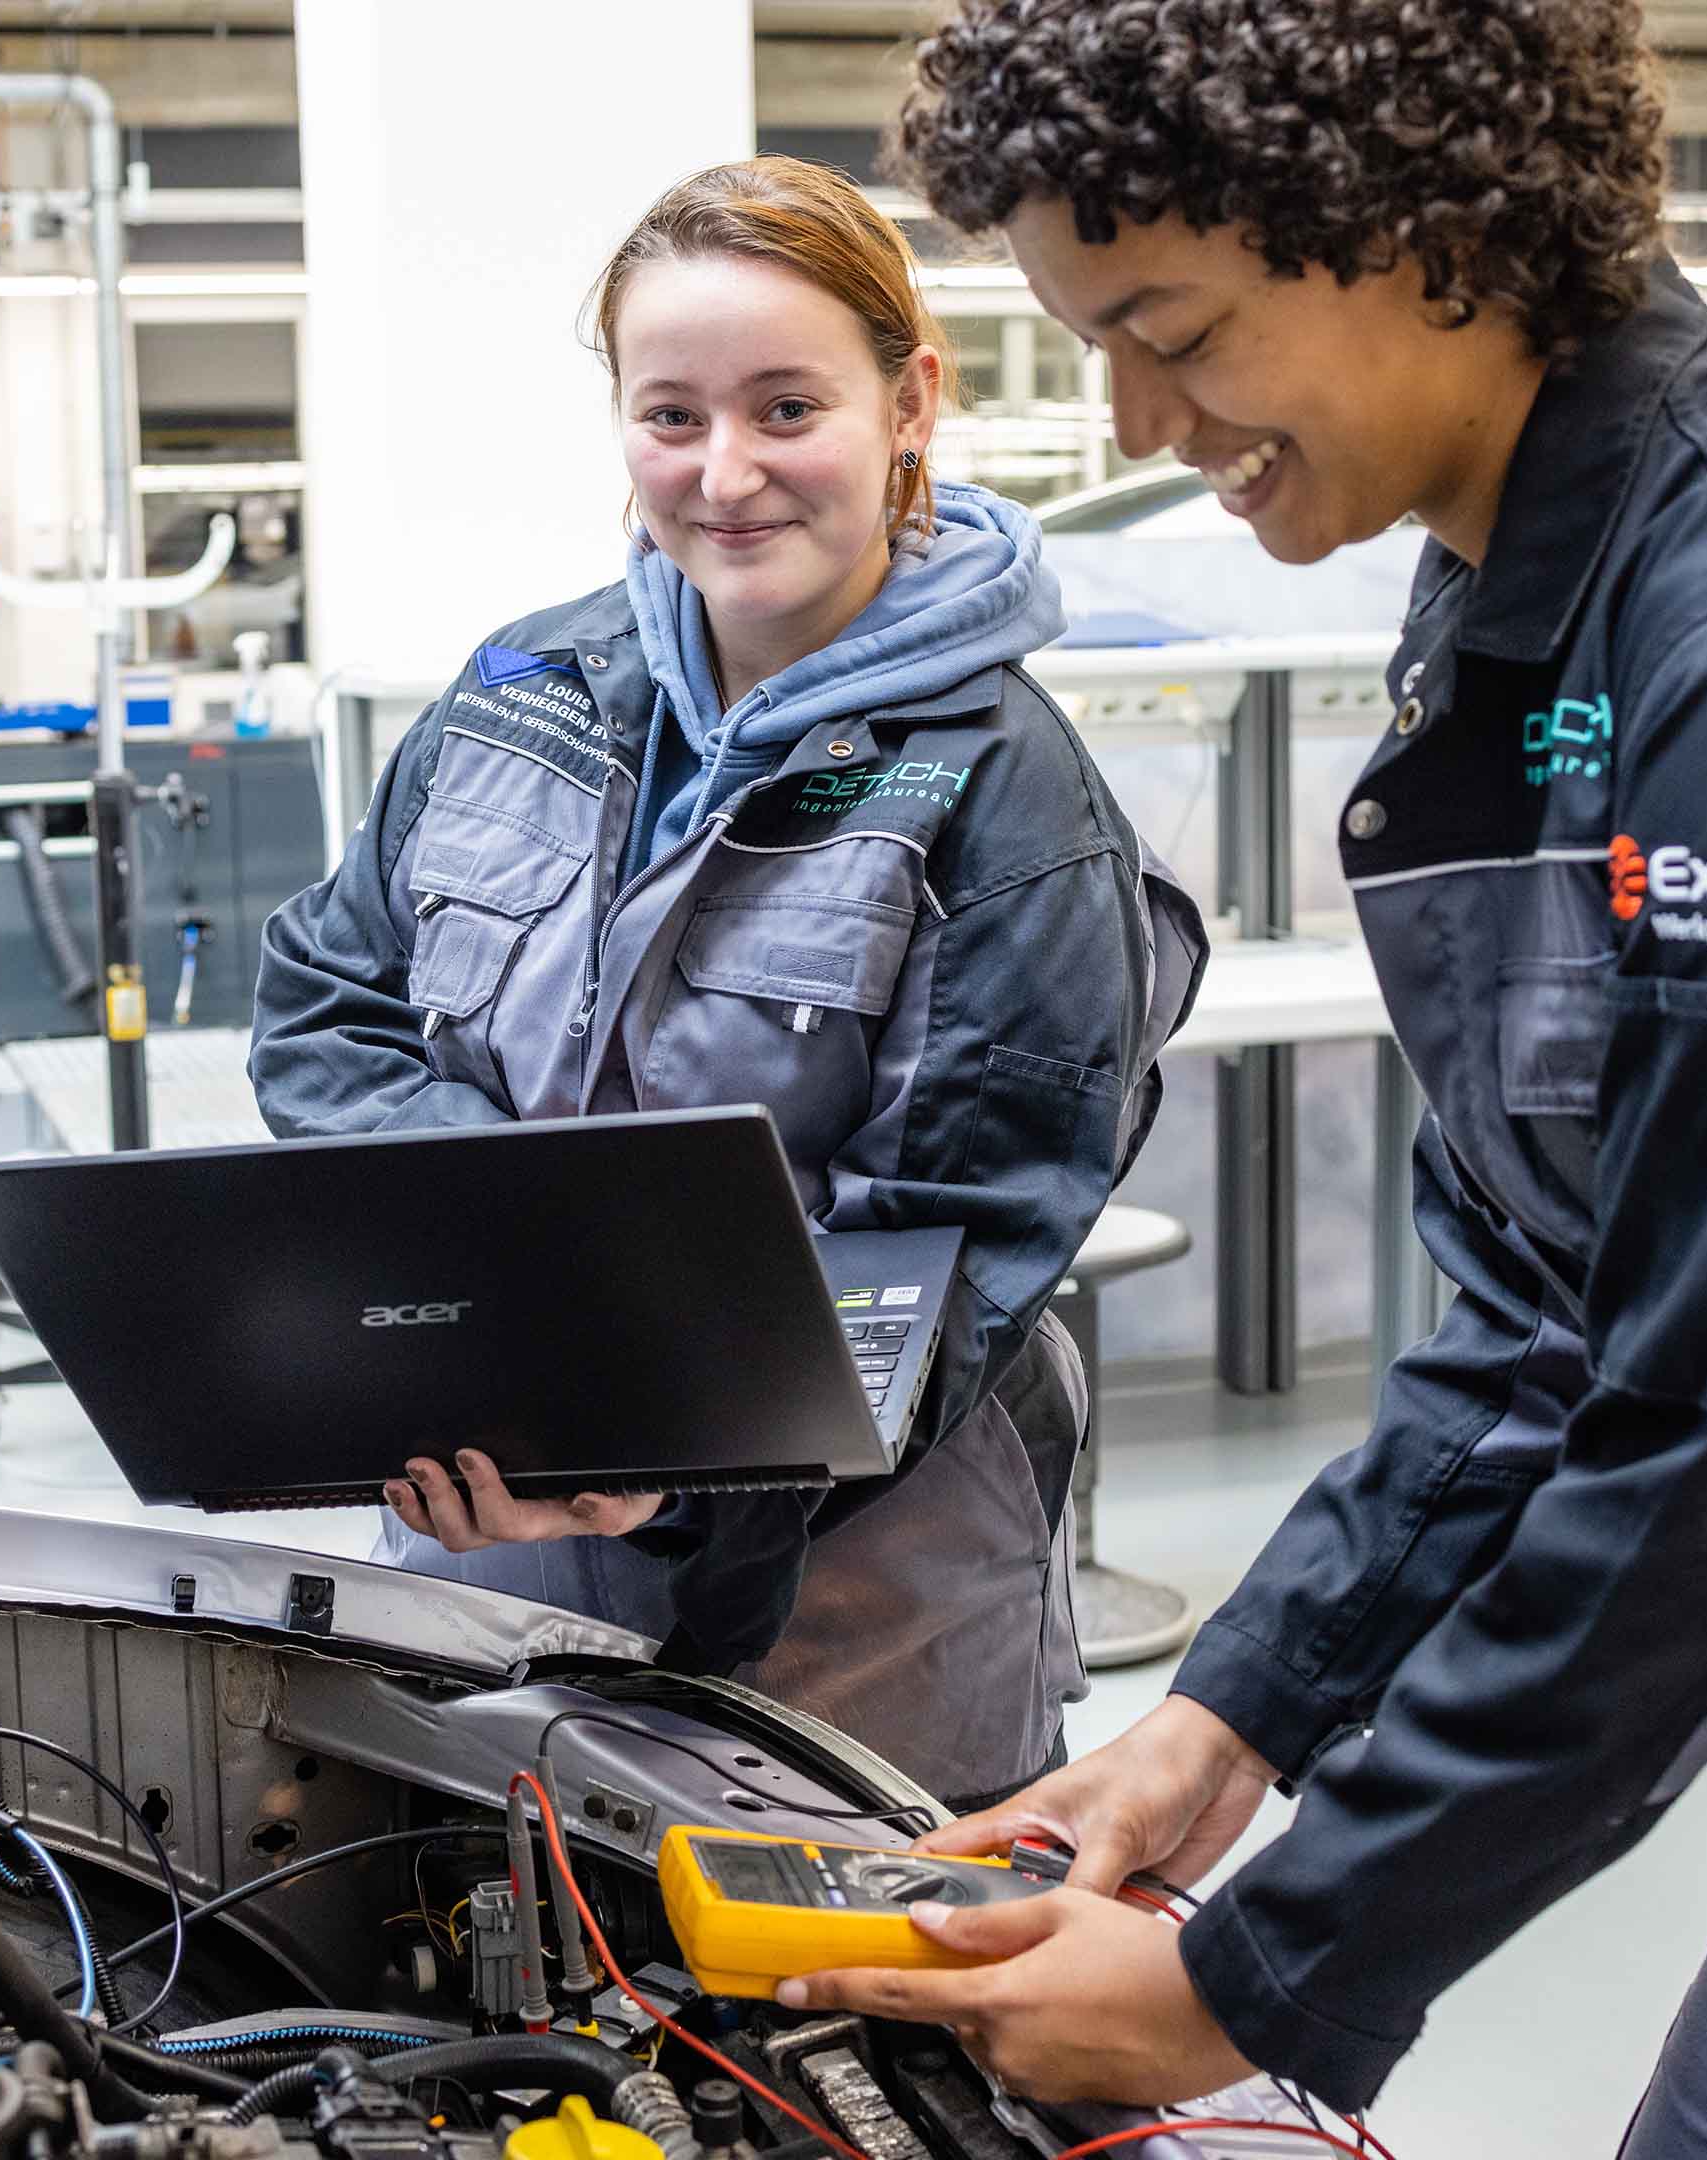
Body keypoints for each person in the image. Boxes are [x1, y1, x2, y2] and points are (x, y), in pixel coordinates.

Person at [782, 4, 1707, 2150]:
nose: (1131, 411)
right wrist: (1231, 1721)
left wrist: (1255, 1975)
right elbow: (1539, 1316)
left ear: (1419, 230)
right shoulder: (1518, 616)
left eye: (1169, 326)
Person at [247, 156, 1204, 1814]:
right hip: (483, 1573)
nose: (724, 473)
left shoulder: (1007, 794)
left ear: (911, 402)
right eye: (669, 415)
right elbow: (327, 1007)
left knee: (833, 2057)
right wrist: (522, 1339)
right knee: (485, 2009)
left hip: (855, 1638)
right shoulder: (522, 691)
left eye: (785, 407)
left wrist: (660, 1470)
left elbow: (952, 1259)